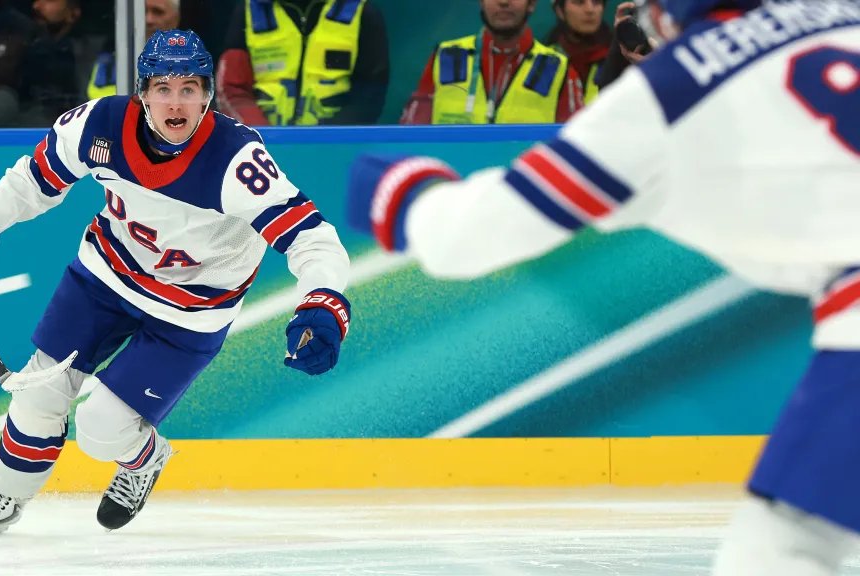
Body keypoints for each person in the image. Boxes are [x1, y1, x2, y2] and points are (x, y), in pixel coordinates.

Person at [347, 0, 860, 574]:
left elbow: (480, 232)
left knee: (784, 549)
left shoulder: (664, 94)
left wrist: (403, 196)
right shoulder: (841, 16)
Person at [0, 28, 351, 535]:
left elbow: (312, 238)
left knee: (102, 430)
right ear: (142, 92)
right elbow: (32, 181)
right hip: (103, 276)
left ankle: (144, 460)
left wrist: (323, 303)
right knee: (38, 393)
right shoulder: (98, 125)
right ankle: (5, 499)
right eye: (162, 87)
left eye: (189, 88)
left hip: (191, 311)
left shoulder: (236, 161)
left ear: (208, 95)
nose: (176, 102)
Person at [400, 0, 582, 125]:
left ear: (532, 4)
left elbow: (572, 146)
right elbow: (412, 136)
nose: (504, 2)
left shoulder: (558, 68)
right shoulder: (446, 57)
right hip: (455, 178)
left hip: (518, 180)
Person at [216, 0, 389, 126]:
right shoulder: (248, 11)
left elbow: (371, 94)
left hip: (334, 147)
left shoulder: (363, 13)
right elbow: (231, 90)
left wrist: (327, 139)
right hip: (262, 147)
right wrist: (261, 136)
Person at [544, 0, 612, 104]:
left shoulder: (621, 60)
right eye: (579, 2)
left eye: (596, 2)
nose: (590, 10)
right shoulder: (543, 63)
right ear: (560, 11)